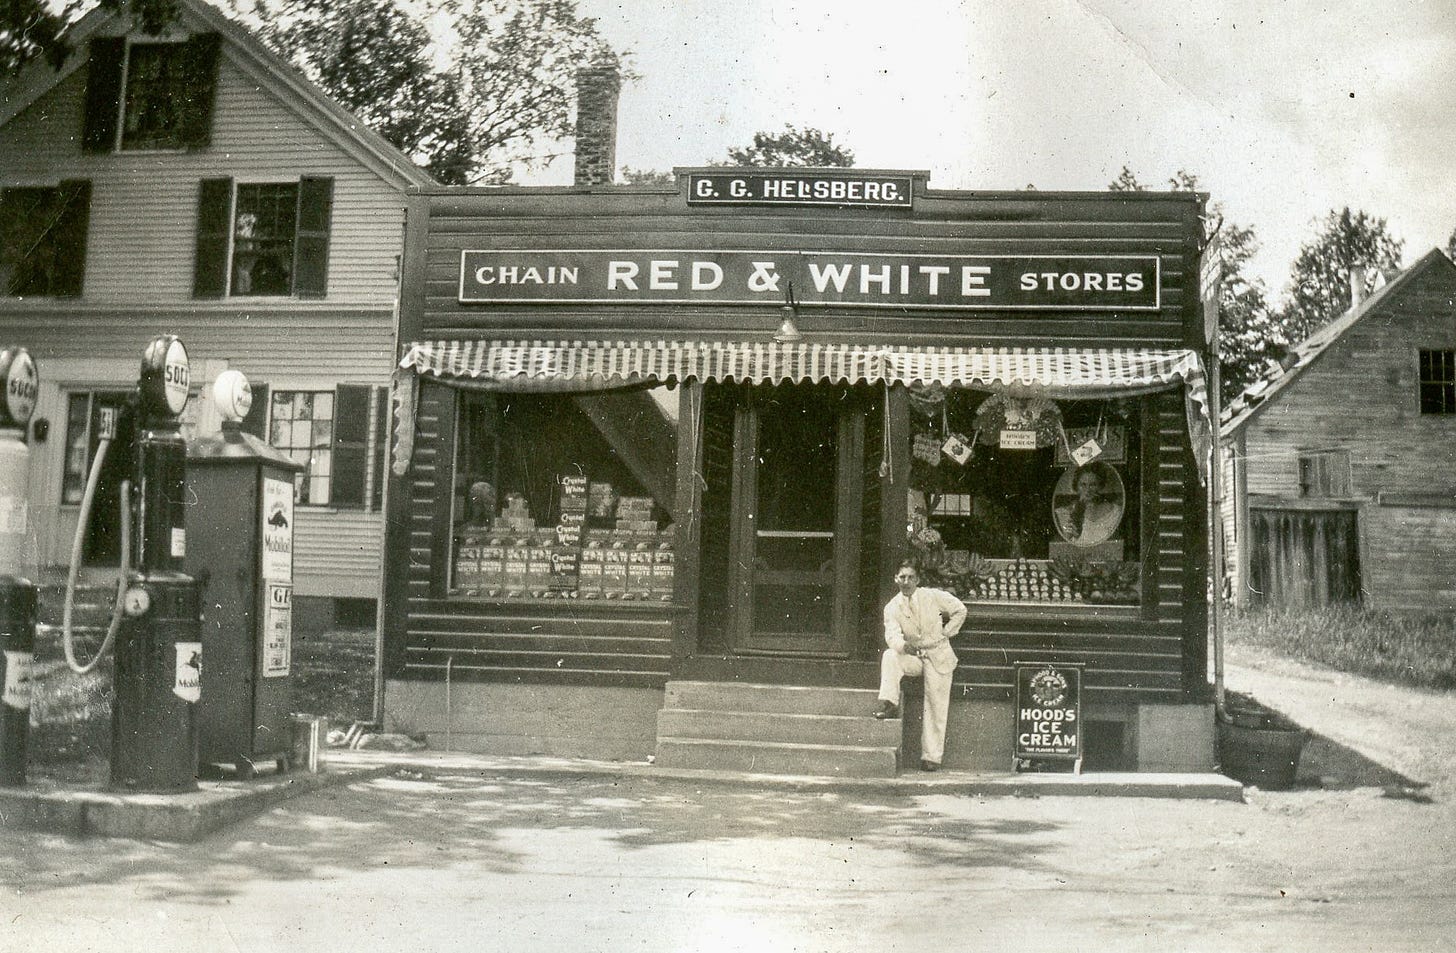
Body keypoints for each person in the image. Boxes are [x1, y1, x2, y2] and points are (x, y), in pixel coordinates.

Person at [873, 561, 967, 771]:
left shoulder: (932, 596)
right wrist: (904, 646)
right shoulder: (892, 607)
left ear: (917, 580)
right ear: (895, 579)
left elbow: (960, 609)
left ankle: (931, 757)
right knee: (890, 656)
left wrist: (947, 632)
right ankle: (889, 701)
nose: (906, 582)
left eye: (910, 577)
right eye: (902, 577)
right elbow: (891, 635)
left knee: (936, 703)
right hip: (914, 656)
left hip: (938, 654)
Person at [1053, 463, 1123, 545]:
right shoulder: (1063, 513)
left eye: (1092, 485)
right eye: (1083, 485)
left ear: (1100, 486)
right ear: (1077, 486)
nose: (1087, 490)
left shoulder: (1115, 512)